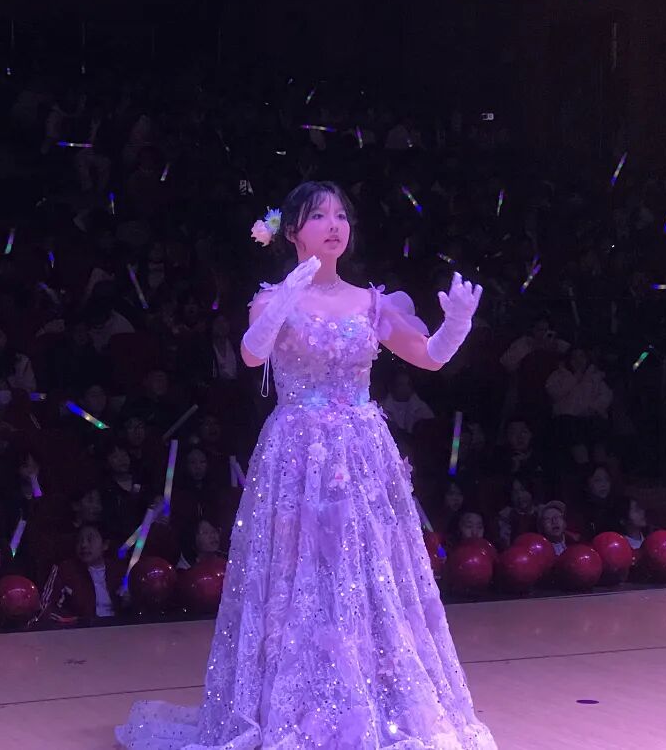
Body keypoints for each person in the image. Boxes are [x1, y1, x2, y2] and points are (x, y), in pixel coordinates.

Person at [117, 181, 495, 747]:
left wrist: (457, 324)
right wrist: (285, 299)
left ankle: (373, 702)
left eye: (341, 215)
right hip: (297, 453)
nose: (334, 225)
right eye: (319, 216)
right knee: (298, 577)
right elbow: (252, 354)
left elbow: (431, 357)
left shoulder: (372, 301)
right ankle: (294, 708)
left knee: (366, 574)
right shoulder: (273, 299)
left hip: (362, 455)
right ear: (291, 231)